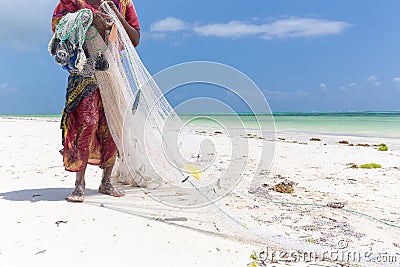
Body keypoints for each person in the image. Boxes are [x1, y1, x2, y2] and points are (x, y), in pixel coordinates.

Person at [52, 0, 141, 202]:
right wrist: (89, 19)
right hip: (84, 69)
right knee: (86, 121)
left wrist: (116, 17)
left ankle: (106, 181)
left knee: (112, 124)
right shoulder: (73, 1)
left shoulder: (123, 3)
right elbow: (58, 26)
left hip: (112, 69)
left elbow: (134, 38)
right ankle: (79, 184)